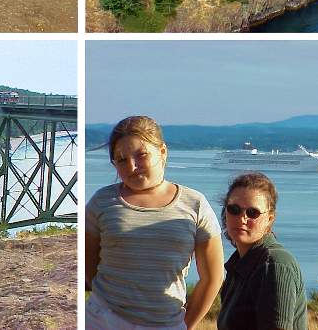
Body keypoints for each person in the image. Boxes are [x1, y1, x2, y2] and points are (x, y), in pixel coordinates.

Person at [85, 114, 224, 328]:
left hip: (167, 323)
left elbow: (213, 278)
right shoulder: (102, 202)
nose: (132, 166)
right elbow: (89, 266)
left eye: (141, 155)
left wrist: (185, 325)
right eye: (122, 160)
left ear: (162, 152)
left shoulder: (195, 204)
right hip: (103, 320)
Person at [217, 173, 307, 330]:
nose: (242, 219)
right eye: (234, 209)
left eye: (253, 213)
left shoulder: (274, 264)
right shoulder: (239, 265)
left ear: (270, 218)